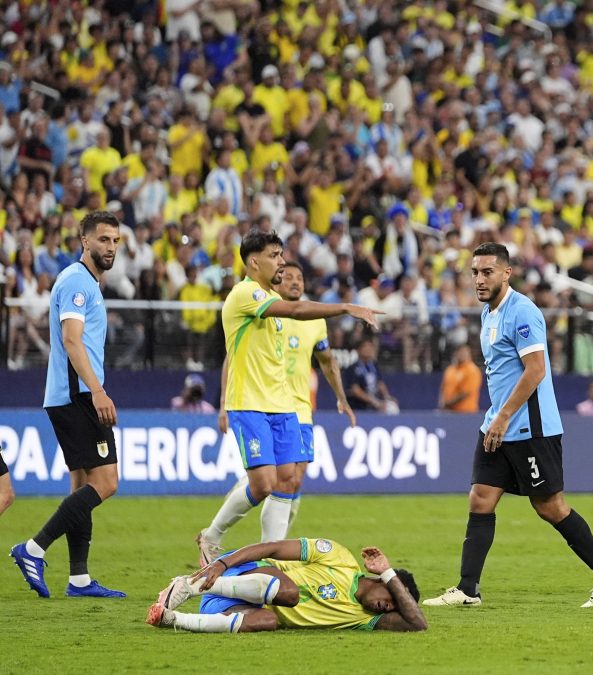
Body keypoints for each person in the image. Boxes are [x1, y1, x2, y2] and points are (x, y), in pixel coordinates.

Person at [423, 242, 593, 608]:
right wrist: (496, 418)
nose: (479, 279)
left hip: (529, 428)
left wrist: (502, 416)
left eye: (487, 272)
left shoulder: (524, 313)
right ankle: (468, 589)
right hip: (498, 424)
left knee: (551, 507)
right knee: (480, 499)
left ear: (506, 272)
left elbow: (536, 370)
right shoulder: (489, 314)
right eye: (474, 272)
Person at [198, 231, 381, 564]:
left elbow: (319, 353)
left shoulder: (268, 297)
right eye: (274, 255)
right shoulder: (246, 293)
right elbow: (296, 311)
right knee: (264, 483)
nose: (281, 261)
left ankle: (273, 558)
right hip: (250, 403)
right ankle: (212, 535)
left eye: (282, 254)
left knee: (287, 480)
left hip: (284, 406)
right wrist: (343, 307)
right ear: (254, 261)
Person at [10, 211, 126, 598]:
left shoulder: (86, 282)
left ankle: (79, 579)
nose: (110, 247)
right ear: (84, 240)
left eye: (115, 241)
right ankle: (33, 548)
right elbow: (72, 340)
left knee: (81, 485)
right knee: (106, 482)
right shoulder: (78, 281)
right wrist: (97, 391)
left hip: (66, 395)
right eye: (103, 240)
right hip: (78, 395)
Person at [146, 538, 426, 632]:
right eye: (389, 598)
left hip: (229, 607)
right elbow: (273, 547)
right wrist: (223, 564)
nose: (385, 607)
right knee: (290, 594)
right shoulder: (338, 557)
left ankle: (171, 619)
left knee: (269, 620)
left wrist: (390, 574)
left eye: (391, 607)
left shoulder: (363, 619)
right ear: (378, 581)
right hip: (236, 574)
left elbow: (418, 624)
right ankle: (189, 585)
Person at [344, 334, 399, 413]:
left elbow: (379, 383)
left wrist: (387, 397)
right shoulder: (351, 368)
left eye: (370, 347)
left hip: (372, 406)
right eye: (365, 347)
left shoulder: (374, 365)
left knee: (392, 408)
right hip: (358, 407)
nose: (368, 349)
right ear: (358, 350)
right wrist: (375, 402)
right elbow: (355, 390)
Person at [440, 343, 483, 413]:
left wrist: (447, 404)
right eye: (460, 352)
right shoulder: (450, 369)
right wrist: (442, 405)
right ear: (455, 353)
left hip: (466, 413)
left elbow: (465, 393)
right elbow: (443, 388)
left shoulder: (472, 370)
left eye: (465, 352)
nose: (462, 354)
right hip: (449, 412)